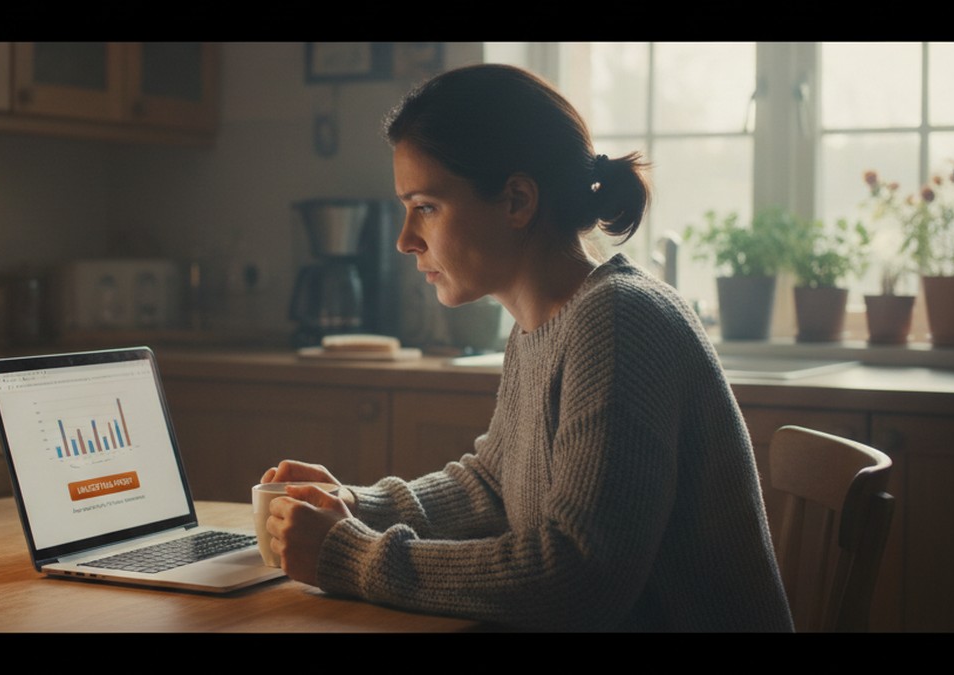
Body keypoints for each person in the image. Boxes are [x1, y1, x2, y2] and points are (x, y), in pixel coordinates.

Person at [262, 64, 793, 632]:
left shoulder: (619, 321)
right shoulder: (544, 323)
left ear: (517, 200)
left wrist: (354, 556)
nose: (405, 239)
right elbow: (492, 486)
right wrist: (353, 505)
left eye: (426, 207)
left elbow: (577, 577)